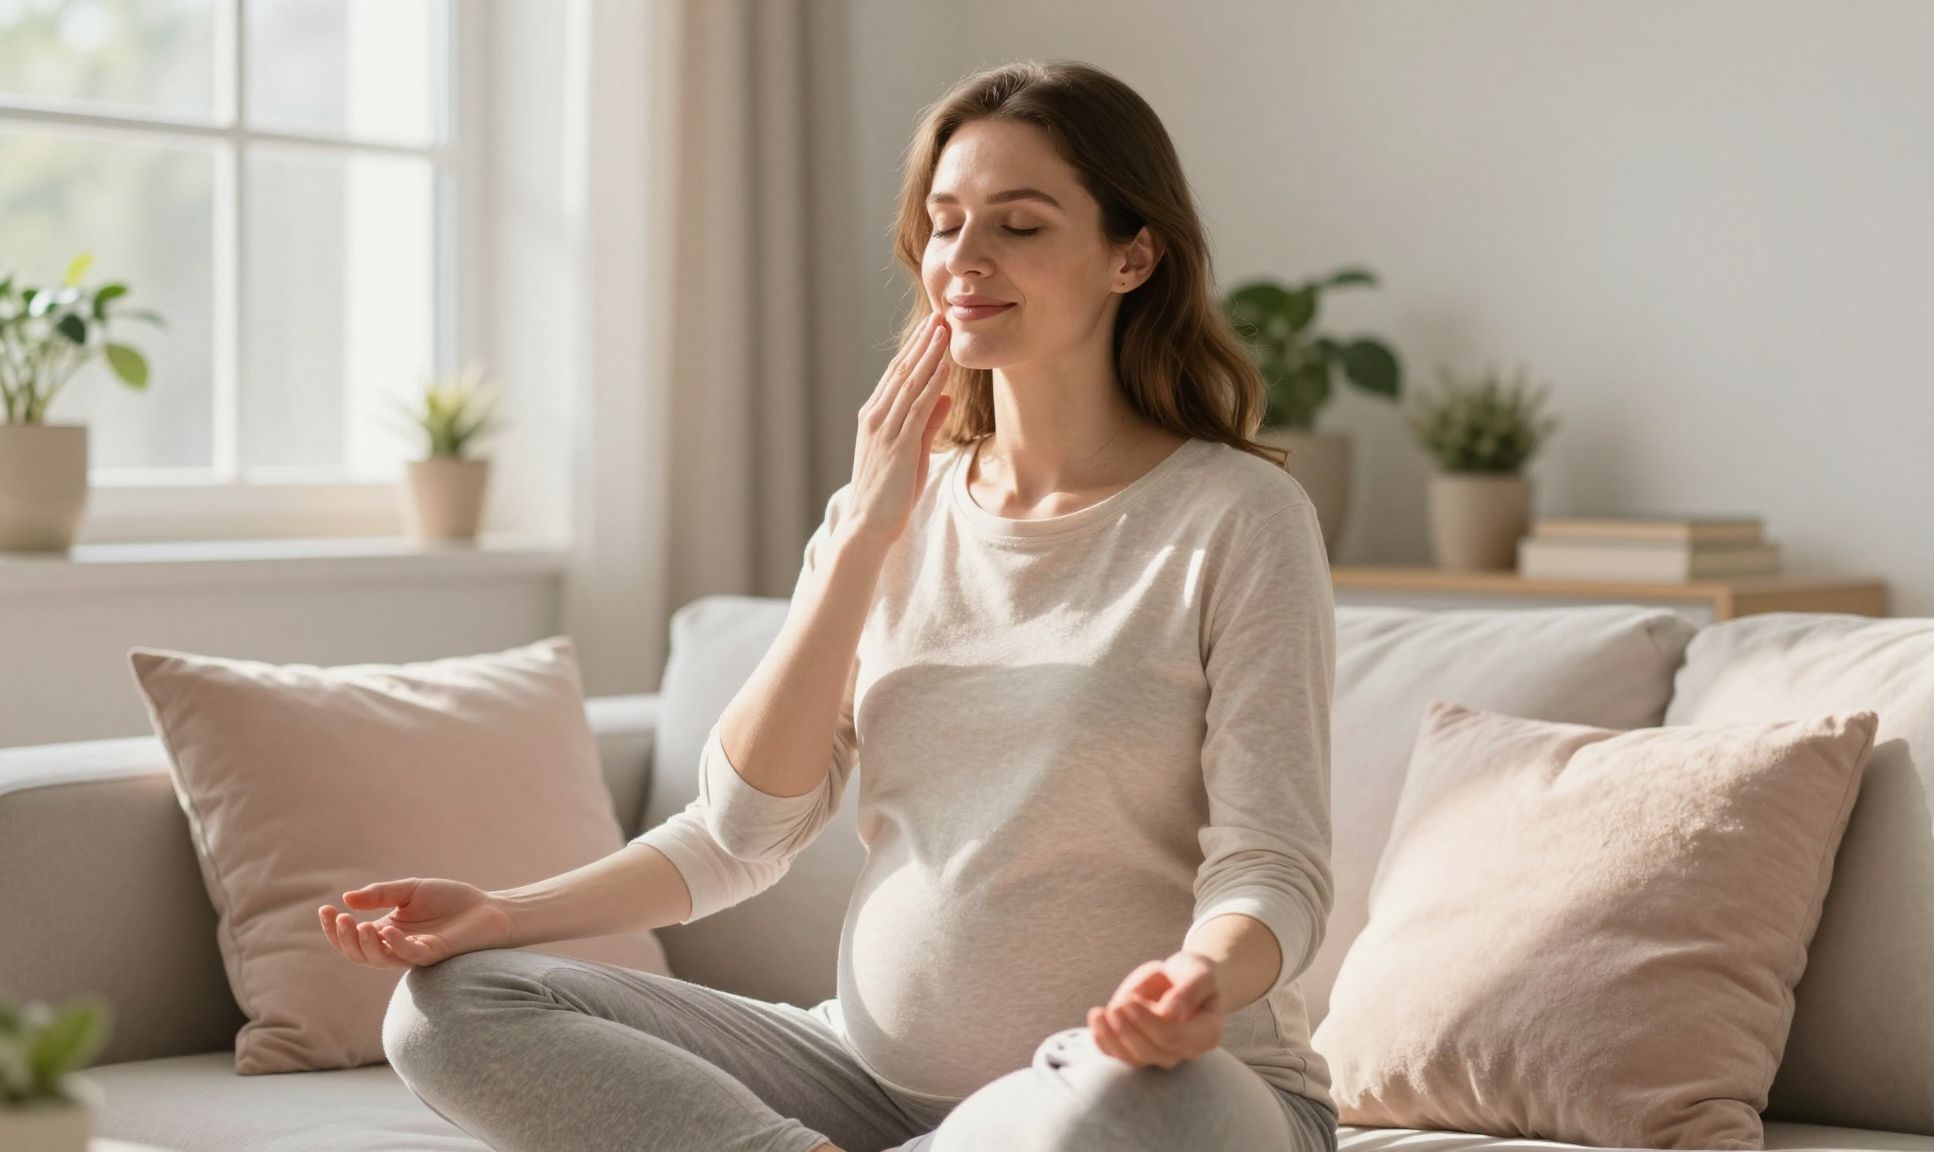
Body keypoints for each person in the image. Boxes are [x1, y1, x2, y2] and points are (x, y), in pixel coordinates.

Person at [319, 58, 1339, 1152]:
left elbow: (1270, 870)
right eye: (945, 223)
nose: (964, 260)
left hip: (1139, 1087)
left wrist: (1191, 980)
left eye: (1021, 225)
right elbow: (738, 834)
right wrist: (861, 537)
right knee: (450, 1005)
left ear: (1131, 256)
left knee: (1135, 1106)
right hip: (859, 1078)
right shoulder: (890, 511)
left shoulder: (1237, 516)